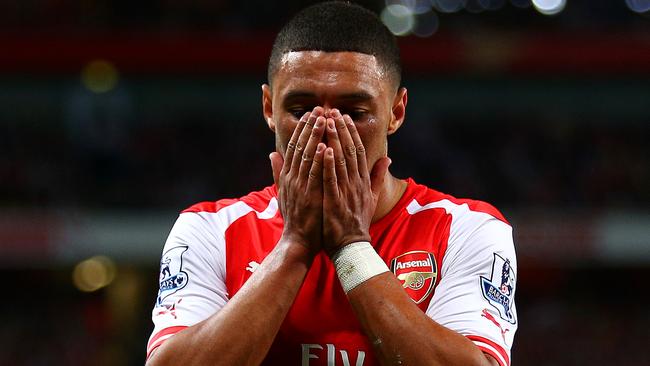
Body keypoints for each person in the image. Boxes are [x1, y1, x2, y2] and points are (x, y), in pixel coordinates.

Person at [146, 2, 517, 365]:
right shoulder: (209, 229)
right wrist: (296, 244)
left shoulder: (466, 229)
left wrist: (351, 247)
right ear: (268, 108)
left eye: (354, 113)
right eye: (301, 111)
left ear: (396, 112)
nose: (325, 132)